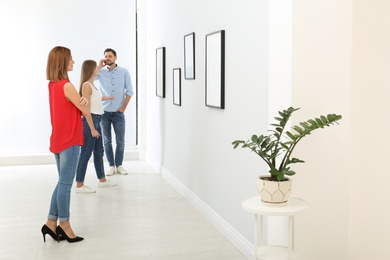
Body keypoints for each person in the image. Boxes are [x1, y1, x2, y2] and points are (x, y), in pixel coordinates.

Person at [41, 46, 91, 243]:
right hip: (70, 141)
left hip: (58, 140)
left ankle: (50, 223)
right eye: (70, 59)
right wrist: (86, 96)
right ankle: (65, 224)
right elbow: (85, 111)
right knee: (65, 184)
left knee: (62, 182)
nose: (73, 61)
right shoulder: (67, 86)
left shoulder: (52, 85)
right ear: (62, 62)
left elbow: (70, 110)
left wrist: (80, 104)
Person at [75, 60, 116, 193]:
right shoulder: (86, 85)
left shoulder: (92, 84)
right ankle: (79, 185)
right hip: (90, 121)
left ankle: (102, 180)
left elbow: (92, 101)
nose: (98, 69)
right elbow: (86, 107)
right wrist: (92, 128)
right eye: (96, 68)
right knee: (86, 154)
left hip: (97, 119)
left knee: (99, 152)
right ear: (91, 69)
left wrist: (103, 99)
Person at [97, 48, 133, 176]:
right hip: (104, 112)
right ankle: (111, 166)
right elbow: (88, 78)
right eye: (106, 56)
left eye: (110, 56)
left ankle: (120, 165)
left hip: (118, 113)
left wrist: (123, 108)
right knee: (106, 141)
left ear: (116, 57)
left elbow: (129, 92)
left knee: (120, 141)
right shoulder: (100, 73)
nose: (108, 58)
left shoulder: (124, 72)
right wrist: (98, 65)